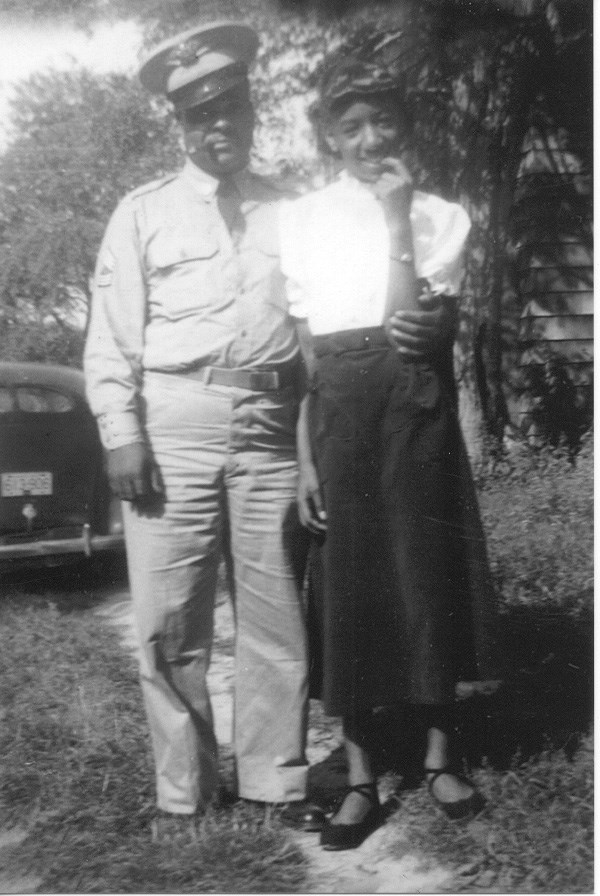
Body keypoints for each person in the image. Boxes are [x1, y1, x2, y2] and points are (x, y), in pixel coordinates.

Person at [84, 20, 454, 839]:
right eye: (198, 116)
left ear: (253, 114)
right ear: (178, 125)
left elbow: (348, 305)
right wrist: (121, 432)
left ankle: (275, 784)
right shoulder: (140, 214)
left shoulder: (297, 210)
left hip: (270, 423)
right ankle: (184, 793)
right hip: (173, 421)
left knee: (275, 613)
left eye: (233, 110)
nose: (219, 127)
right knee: (170, 618)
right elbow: (111, 336)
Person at [279, 48, 502, 851]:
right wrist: (307, 458)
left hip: (410, 395)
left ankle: (442, 755)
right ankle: (363, 774)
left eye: (385, 123)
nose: (371, 139)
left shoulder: (442, 214)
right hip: (338, 401)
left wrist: (400, 219)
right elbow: (308, 359)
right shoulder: (299, 220)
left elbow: (412, 326)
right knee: (348, 583)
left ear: (405, 127)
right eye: (352, 127)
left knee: (421, 569)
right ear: (329, 139)